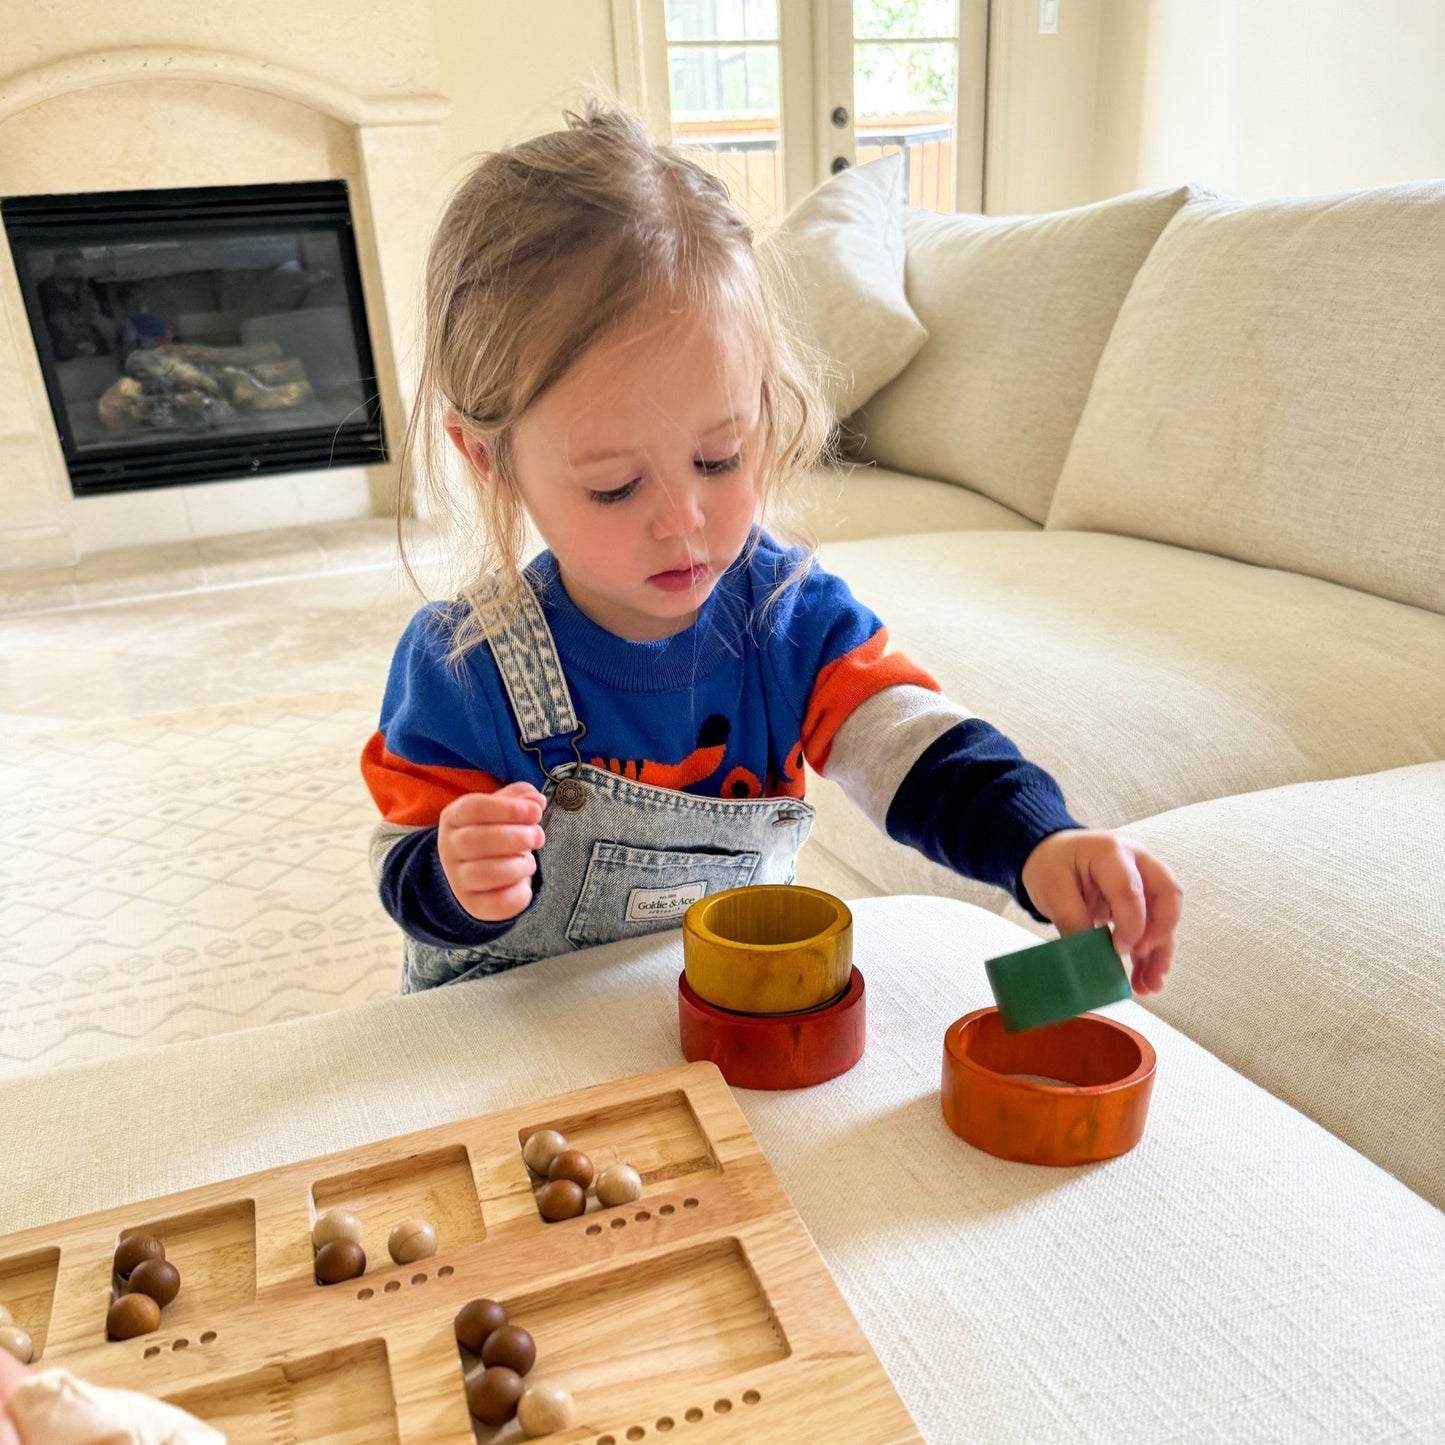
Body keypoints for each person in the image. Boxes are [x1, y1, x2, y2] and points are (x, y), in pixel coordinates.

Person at [361, 102, 1182, 995]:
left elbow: (911, 747)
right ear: (490, 459)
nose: (684, 522)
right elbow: (402, 862)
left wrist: (1039, 841)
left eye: (720, 457)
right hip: (516, 1050)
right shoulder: (463, 665)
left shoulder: (786, 619)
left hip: (721, 1027)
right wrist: (452, 874)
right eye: (613, 485)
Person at [36, 249, 116, 361]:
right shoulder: (41, 294)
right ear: (55, 267)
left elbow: (114, 331)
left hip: (101, 359)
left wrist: (96, 318)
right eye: (69, 273)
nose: (74, 277)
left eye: (78, 272)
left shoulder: (93, 289)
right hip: (60, 364)